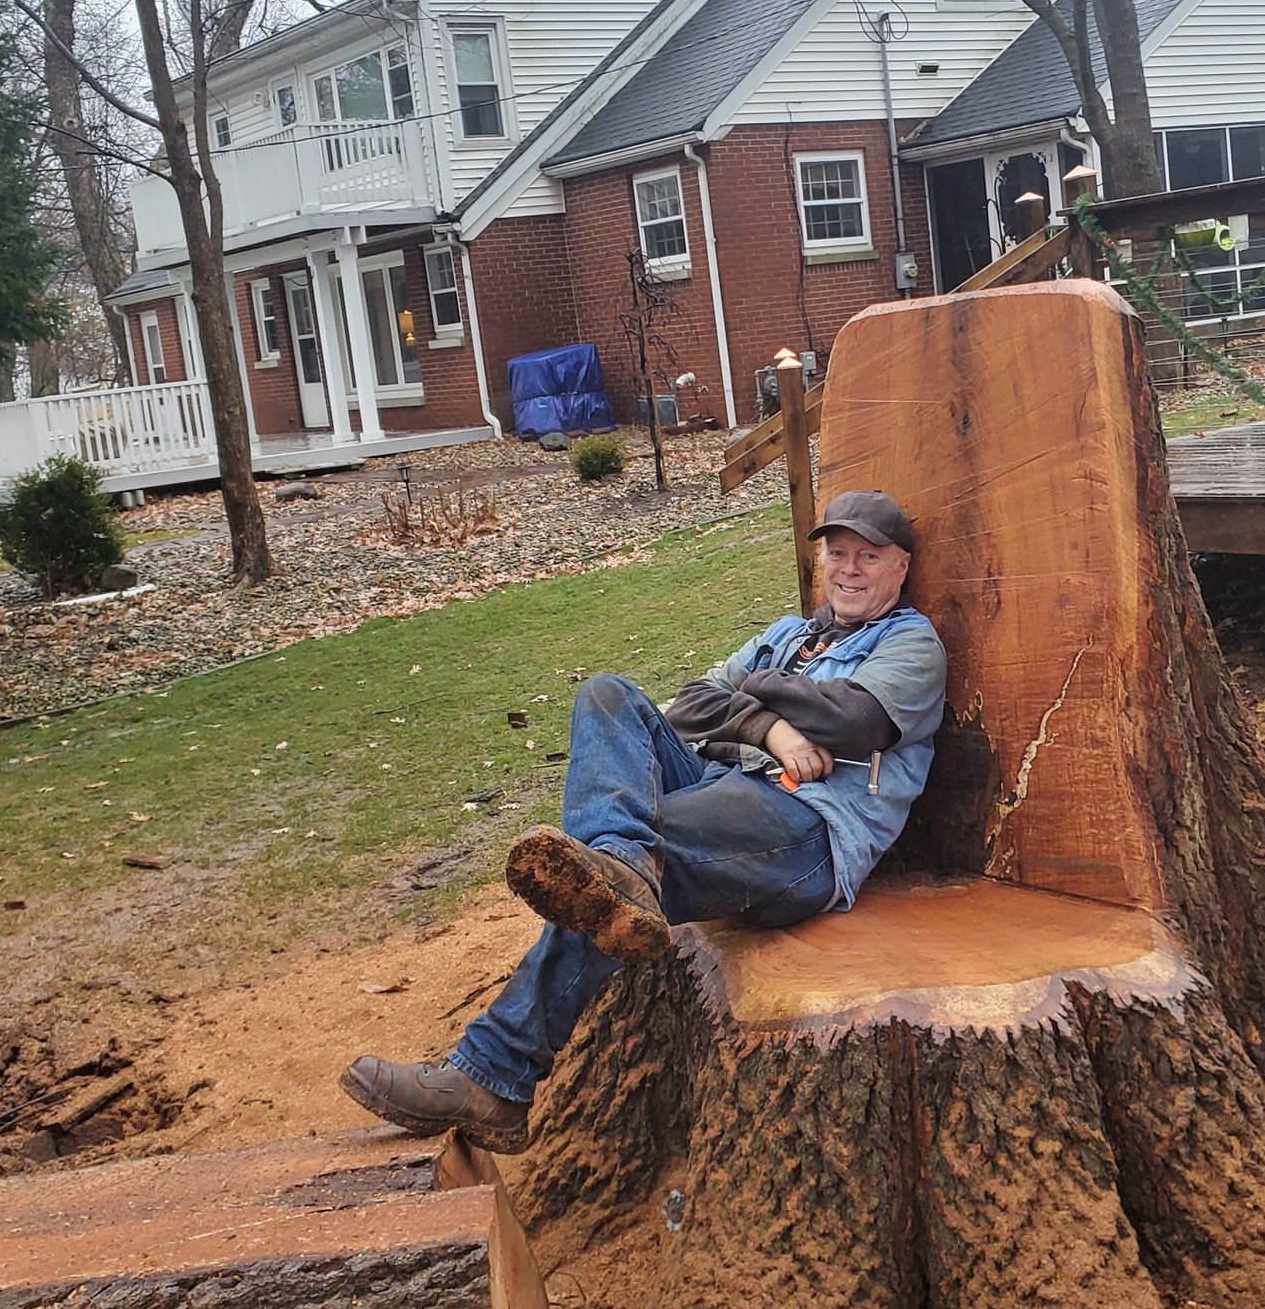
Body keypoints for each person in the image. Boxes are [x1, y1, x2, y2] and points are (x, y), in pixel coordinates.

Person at [341, 489, 946, 1150]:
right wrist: (767, 726)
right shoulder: (788, 635)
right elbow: (688, 707)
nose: (849, 569)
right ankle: (622, 863)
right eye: (837, 553)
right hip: (733, 788)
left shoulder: (913, 645)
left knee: (599, 882)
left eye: (869, 555)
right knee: (608, 696)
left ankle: (493, 1073)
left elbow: (852, 721)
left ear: (900, 568)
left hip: (809, 834)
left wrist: (754, 691)